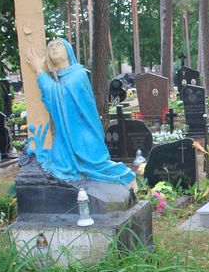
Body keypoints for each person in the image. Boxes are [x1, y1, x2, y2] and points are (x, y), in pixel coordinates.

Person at [27, 38, 134, 185]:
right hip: (65, 138)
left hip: (83, 137)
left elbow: (59, 95)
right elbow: (54, 100)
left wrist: (38, 70)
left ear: (68, 51)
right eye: (50, 46)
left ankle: (126, 179)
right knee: (57, 165)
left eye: (59, 45)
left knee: (98, 166)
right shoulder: (59, 79)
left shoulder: (77, 74)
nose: (54, 48)